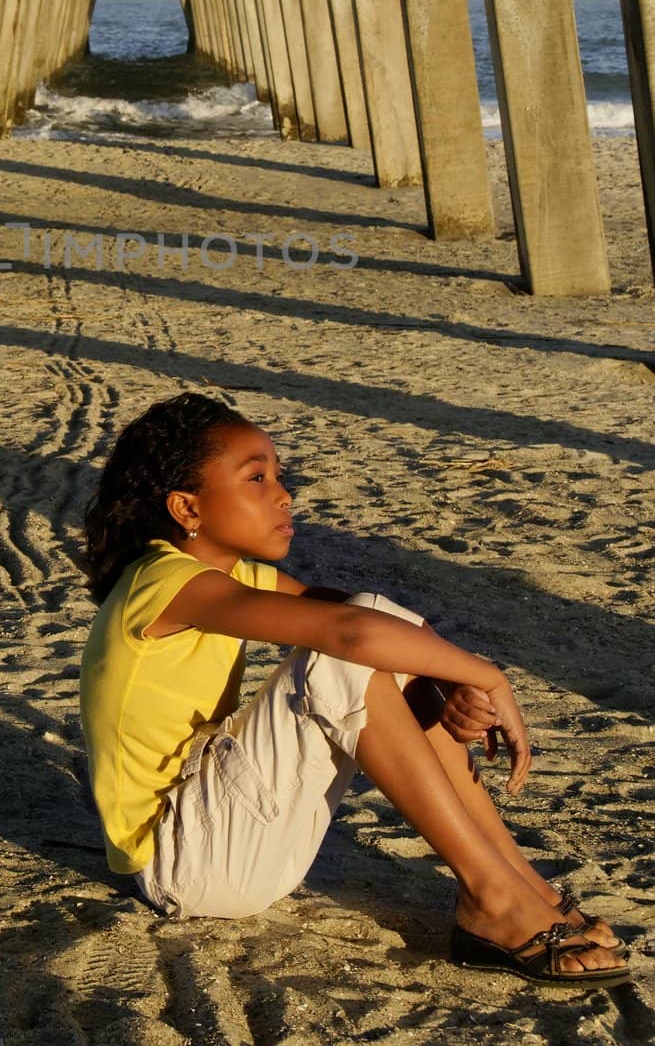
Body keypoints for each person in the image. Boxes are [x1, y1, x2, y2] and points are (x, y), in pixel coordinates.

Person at [78, 392, 630, 987]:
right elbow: (349, 635)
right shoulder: (166, 583)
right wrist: (485, 674)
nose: (283, 494)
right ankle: (491, 898)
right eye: (256, 478)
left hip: (229, 834)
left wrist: (446, 679)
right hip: (188, 864)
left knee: (380, 633)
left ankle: (523, 884)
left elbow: (381, 623)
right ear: (187, 507)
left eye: (279, 475)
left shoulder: (230, 574)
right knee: (340, 659)